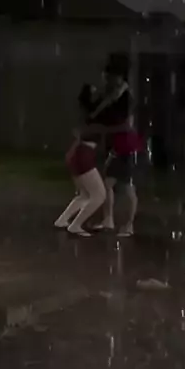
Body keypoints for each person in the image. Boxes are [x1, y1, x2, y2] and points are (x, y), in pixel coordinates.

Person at [91, 62, 142, 237]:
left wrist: (105, 130)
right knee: (108, 184)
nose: (106, 80)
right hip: (117, 145)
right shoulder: (113, 95)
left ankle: (128, 225)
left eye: (109, 77)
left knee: (127, 187)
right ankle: (109, 220)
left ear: (119, 77)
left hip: (126, 146)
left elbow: (126, 125)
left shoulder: (126, 98)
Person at [54, 84, 107, 237]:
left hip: (78, 153)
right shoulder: (94, 115)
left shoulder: (85, 113)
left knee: (84, 194)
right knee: (99, 195)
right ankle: (76, 225)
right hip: (84, 155)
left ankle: (62, 220)